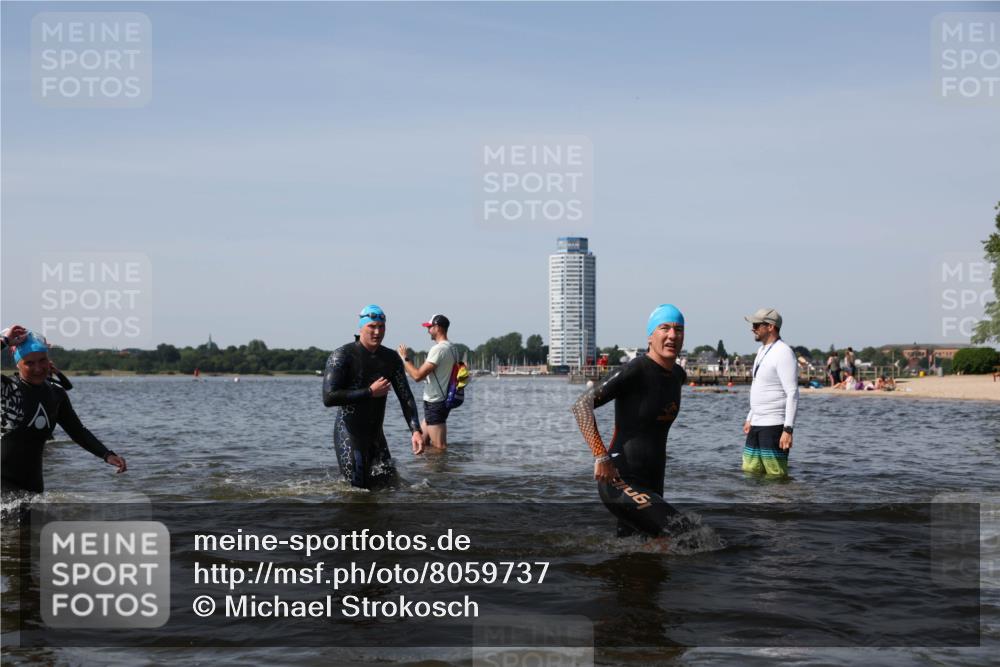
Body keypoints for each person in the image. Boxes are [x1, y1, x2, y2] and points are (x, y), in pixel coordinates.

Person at [572, 304, 689, 539]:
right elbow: (581, 406)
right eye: (664, 328)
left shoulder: (678, 375)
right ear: (650, 337)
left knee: (637, 550)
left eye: (678, 329)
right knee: (685, 533)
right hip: (619, 479)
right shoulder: (635, 370)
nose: (672, 335)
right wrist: (600, 456)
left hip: (652, 481)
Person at [1, 325, 126, 495]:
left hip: (33, 488)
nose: (38, 368)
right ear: (18, 364)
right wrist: (5, 341)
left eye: (42, 360)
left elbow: (77, 431)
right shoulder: (7, 389)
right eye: (29, 363)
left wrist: (107, 455)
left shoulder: (55, 394)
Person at [322, 305, 423, 490]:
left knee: (390, 488)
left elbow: (406, 397)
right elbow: (329, 397)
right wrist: (369, 392)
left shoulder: (391, 359)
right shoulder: (342, 356)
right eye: (372, 326)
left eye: (381, 327)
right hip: (350, 434)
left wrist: (416, 430)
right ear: (361, 327)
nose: (377, 332)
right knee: (357, 492)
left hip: (376, 436)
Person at [742, 308, 799, 477]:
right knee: (750, 472)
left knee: (776, 476)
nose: (752, 328)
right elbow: (760, 386)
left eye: (756, 325)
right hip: (757, 423)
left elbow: (792, 393)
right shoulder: (761, 351)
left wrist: (788, 429)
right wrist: (750, 416)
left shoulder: (783, 352)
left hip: (774, 425)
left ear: (770, 327)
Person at [398, 314, 457, 454]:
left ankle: (442, 468)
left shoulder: (438, 349)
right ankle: (425, 468)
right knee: (422, 444)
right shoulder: (452, 348)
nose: (428, 331)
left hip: (435, 403)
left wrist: (404, 358)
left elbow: (417, 376)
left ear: (437, 328)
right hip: (441, 401)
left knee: (440, 448)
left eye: (429, 327)